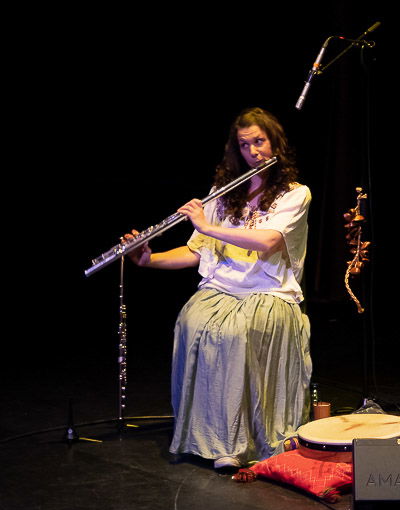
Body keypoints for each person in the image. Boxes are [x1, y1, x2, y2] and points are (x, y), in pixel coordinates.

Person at [125, 107, 312, 469]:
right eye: (244, 145)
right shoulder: (222, 193)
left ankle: (236, 445)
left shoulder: (295, 194)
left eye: (259, 141)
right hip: (221, 291)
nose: (253, 152)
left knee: (235, 333)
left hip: (268, 294)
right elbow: (195, 251)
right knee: (190, 320)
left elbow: (268, 241)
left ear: (275, 143)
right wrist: (149, 259)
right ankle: (202, 436)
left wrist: (207, 226)